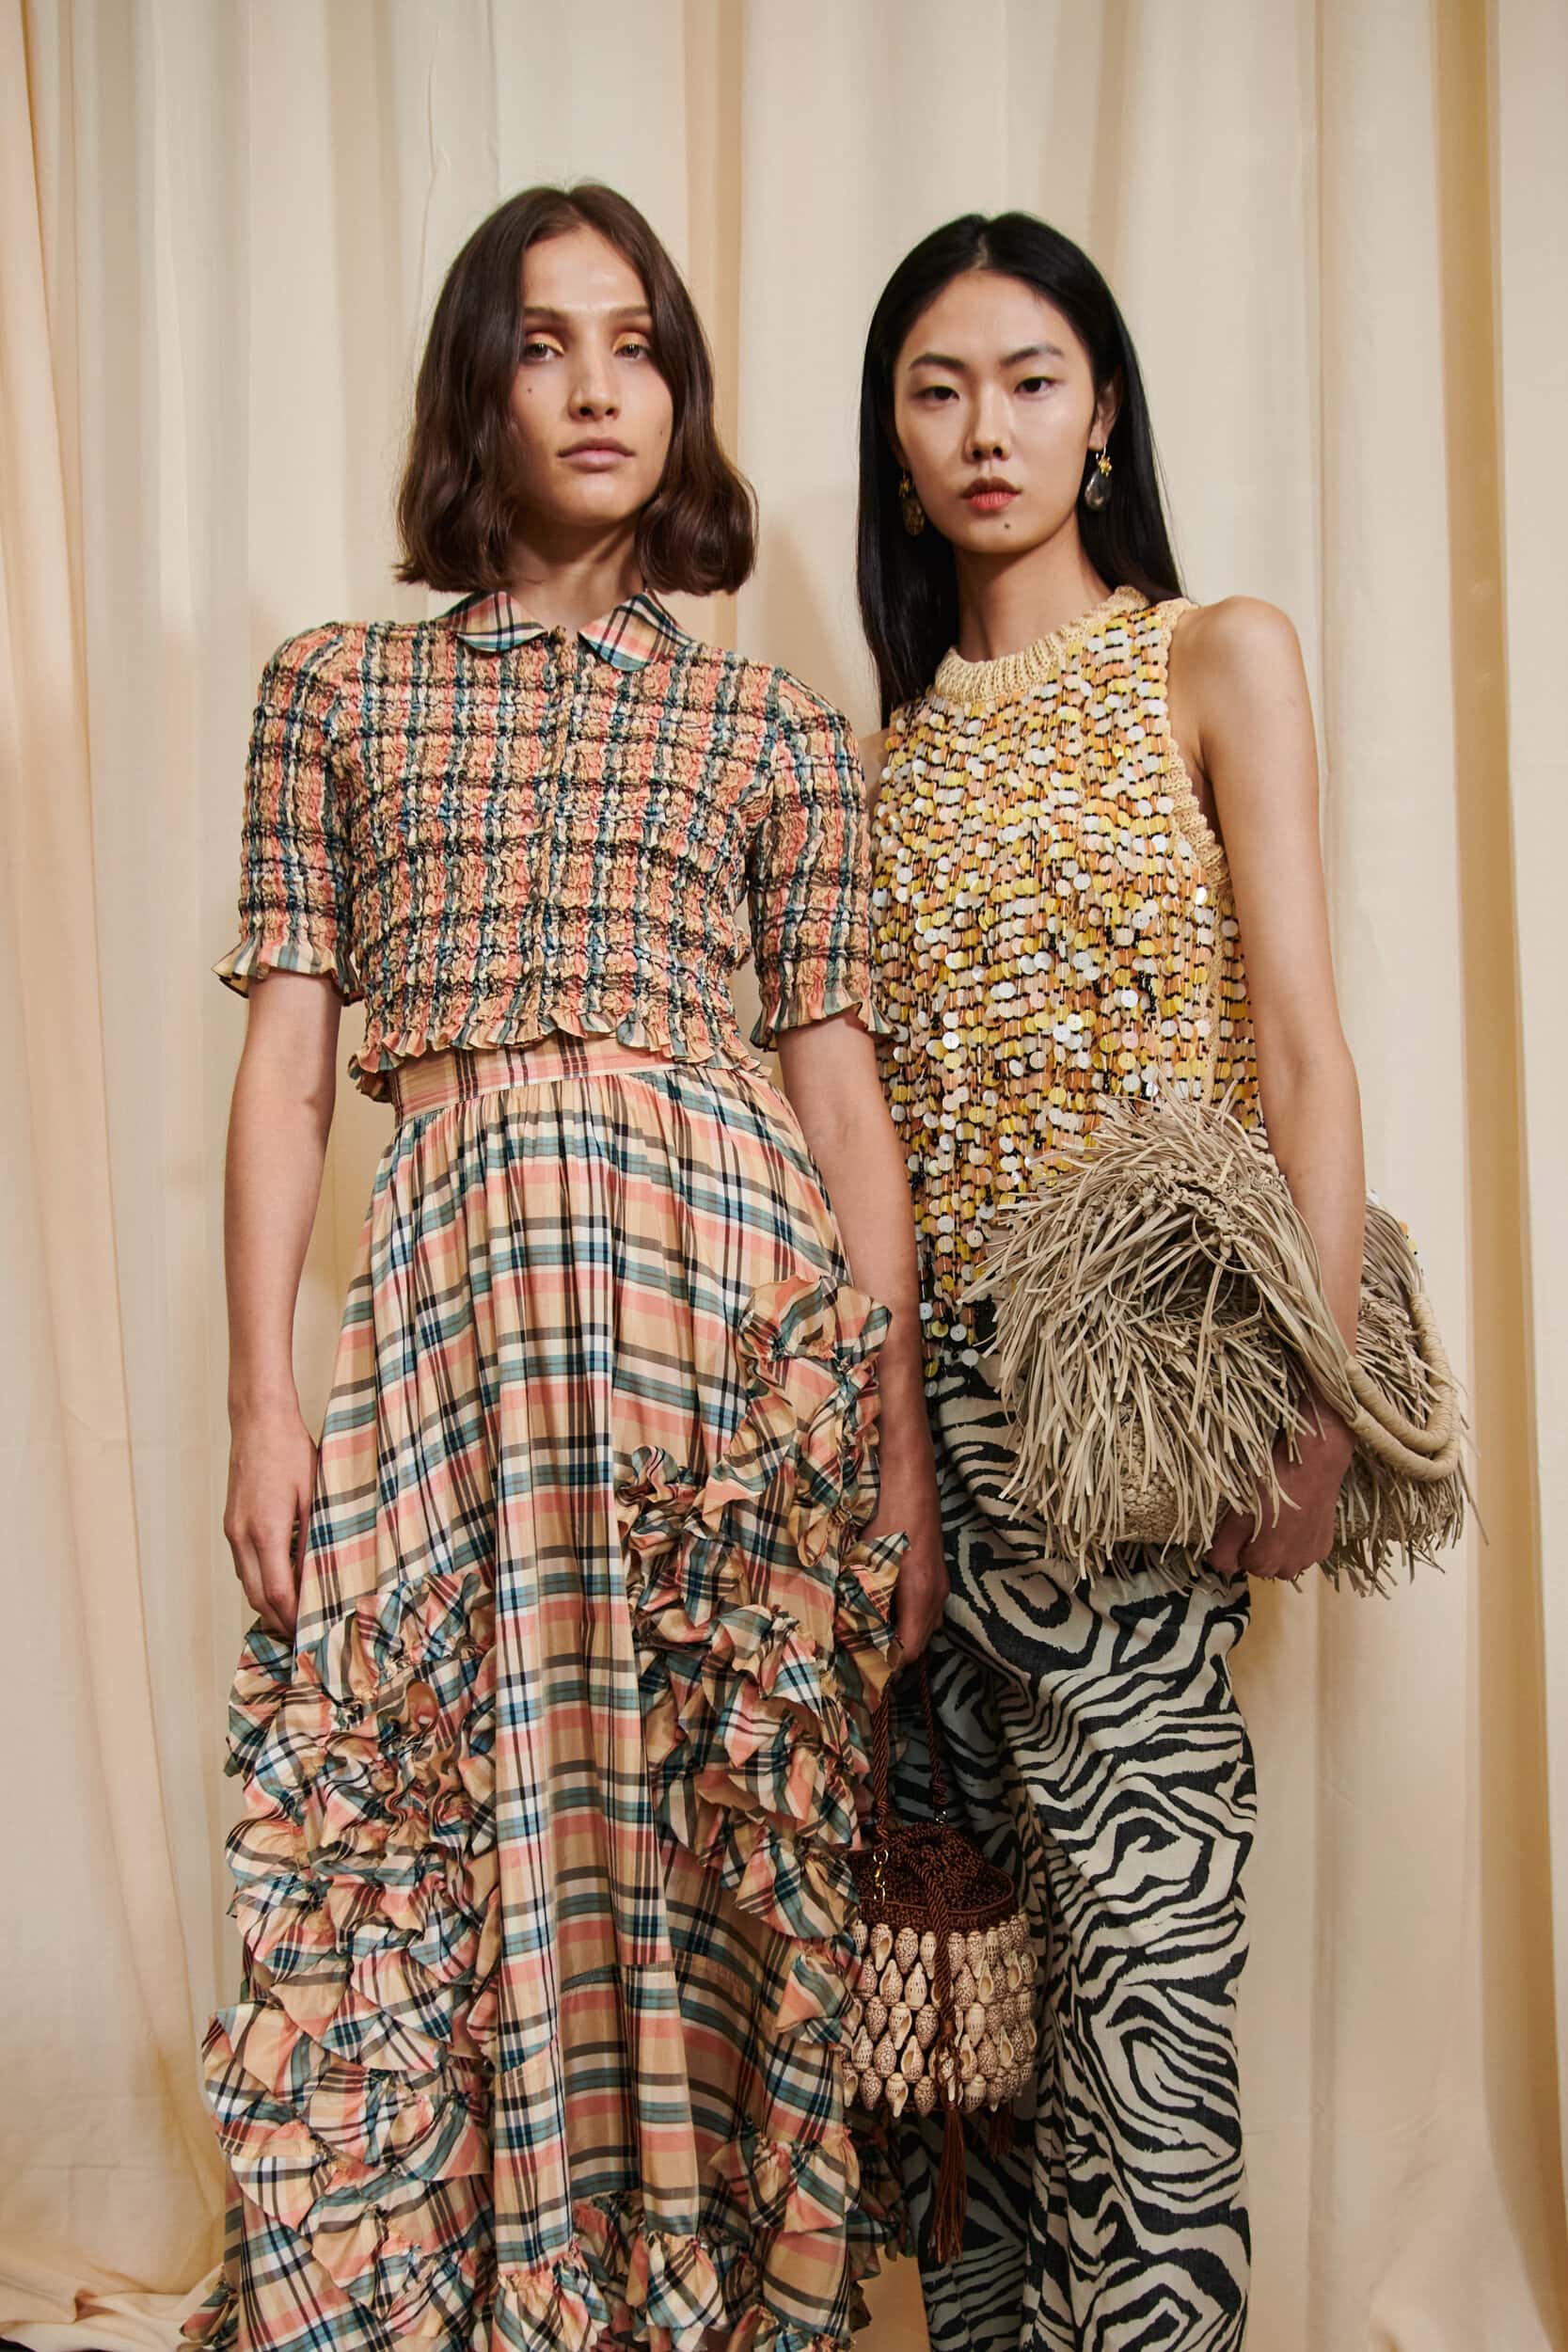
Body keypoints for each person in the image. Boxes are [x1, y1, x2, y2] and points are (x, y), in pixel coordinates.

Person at [186, 181, 944, 2352]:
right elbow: (286, 1072)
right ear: (479, 384)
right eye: (546, 343)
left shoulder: (774, 728)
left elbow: (843, 1106)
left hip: (726, 1324)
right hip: (453, 1318)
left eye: (639, 345)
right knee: (419, 1805)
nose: (600, 387)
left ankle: (678, 2299)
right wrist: (265, 1399)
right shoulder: (334, 689)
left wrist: (889, 1440)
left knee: (692, 1830)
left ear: (681, 393)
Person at [856, 212, 1365, 2352]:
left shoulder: (1214, 656)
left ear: (1104, 414)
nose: (989, 427)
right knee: (965, 1998)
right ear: (895, 445)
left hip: (1140, 1389)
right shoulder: (877, 757)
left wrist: (1322, 1395)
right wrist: (892, 1454)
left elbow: (1305, 1046)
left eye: (1032, 378)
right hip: (930, 1414)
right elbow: (870, 1140)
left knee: (1145, 1974)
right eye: (940, 388)